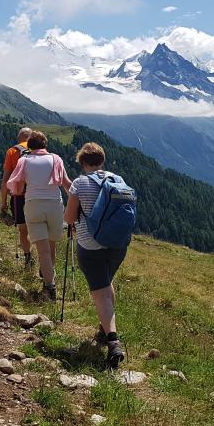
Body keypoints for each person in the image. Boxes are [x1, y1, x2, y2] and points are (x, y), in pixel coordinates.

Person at [64, 142, 129, 368]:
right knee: (106, 282)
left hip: (90, 246)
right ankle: (104, 330)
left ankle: (113, 341)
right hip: (118, 244)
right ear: (102, 160)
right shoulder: (118, 181)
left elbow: (69, 218)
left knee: (100, 292)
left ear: (82, 162)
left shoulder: (80, 184)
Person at [7, 131, 71, 300]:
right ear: (45, 145)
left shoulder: (23, 161)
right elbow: (66, 183)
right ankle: (48, 275)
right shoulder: (56, 159)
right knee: (51, 246)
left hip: (33, 204)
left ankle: (50, 286)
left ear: (29, 146)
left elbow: (18, 190)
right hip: (54, 205)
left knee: (42, 249)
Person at [1, 127, 33, 266]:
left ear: (18, 137)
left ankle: (27, 256)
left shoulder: (12, 151)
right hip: (36, 195)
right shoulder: (39, 151)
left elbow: (5, 179)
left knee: (22, 228)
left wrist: (3, 202)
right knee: (37, 227)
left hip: (18, 196)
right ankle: (43, 256)